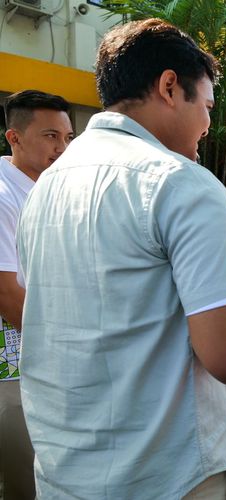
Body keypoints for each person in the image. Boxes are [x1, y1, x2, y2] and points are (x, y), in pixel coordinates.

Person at [16, 19, 226, 498]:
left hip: (63, 468)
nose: (209, 125)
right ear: (170, 87)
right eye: (208, 106)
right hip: (167, 473)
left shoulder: (44, 189)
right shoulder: (183, 183)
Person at [0, 89, 73, 500]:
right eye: (50, 136)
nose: (61, 148)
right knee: (25, 479)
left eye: (67, 138)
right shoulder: (3, 197)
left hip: (51, 356)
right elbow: (8, 296)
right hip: (15, 364)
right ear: (14, 137)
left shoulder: (52, 192)